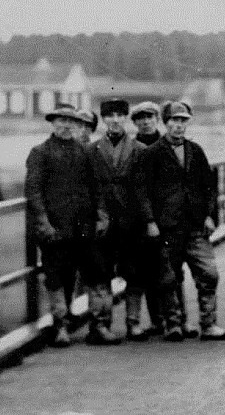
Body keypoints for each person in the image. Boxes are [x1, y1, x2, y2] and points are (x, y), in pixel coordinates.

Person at [134, 100, 225, 341]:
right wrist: (150, 221)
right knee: (168, 277)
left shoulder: (195, 151)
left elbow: (209, 187)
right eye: (174, 121)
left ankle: (208, 324)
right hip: (167, 228)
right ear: (165, 123)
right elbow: (142, 190)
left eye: (183, 121)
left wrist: (210, 215)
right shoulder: (152, 153)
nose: (178, 126)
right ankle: (173, 323)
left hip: (195, 226)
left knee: (208, 274)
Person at [24, 104, 116, 347]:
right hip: (56, 228)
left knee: (96, 273)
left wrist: (101, 216)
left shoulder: (86, 153)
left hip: (84, 227)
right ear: (52, 123)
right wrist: (44, 223)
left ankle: (98, 326)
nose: (65, 125)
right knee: (56, 277)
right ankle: (60, 327)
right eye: (60, 121)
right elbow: (33, 192)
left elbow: (97, 188)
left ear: (77, 125)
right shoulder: (40, 153)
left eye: (70, 121)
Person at [129, 100, 197, 339]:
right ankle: (159, 320)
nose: (145, 122)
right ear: (135, 122)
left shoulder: (167, 144)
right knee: (148, 270)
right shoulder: (134, 147)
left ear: (158, 120)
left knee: (171, 271)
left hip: (168, 222)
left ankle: (177, 320)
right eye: (140, 119)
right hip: (145, 220)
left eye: (150, 117)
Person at [91, 98, 151, 341]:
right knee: (100, 273)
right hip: (103, 221)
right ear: (103, 119)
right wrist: (98, 215)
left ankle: (133, 323)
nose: (115, 120)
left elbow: (145, 189)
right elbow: (89, 188)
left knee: (134, 272)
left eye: (119, 116)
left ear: (126, 118)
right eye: (109, 116)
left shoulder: (139, 150)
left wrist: (147, 220)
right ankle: (100, 325)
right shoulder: (92, 151)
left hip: (131, 221)